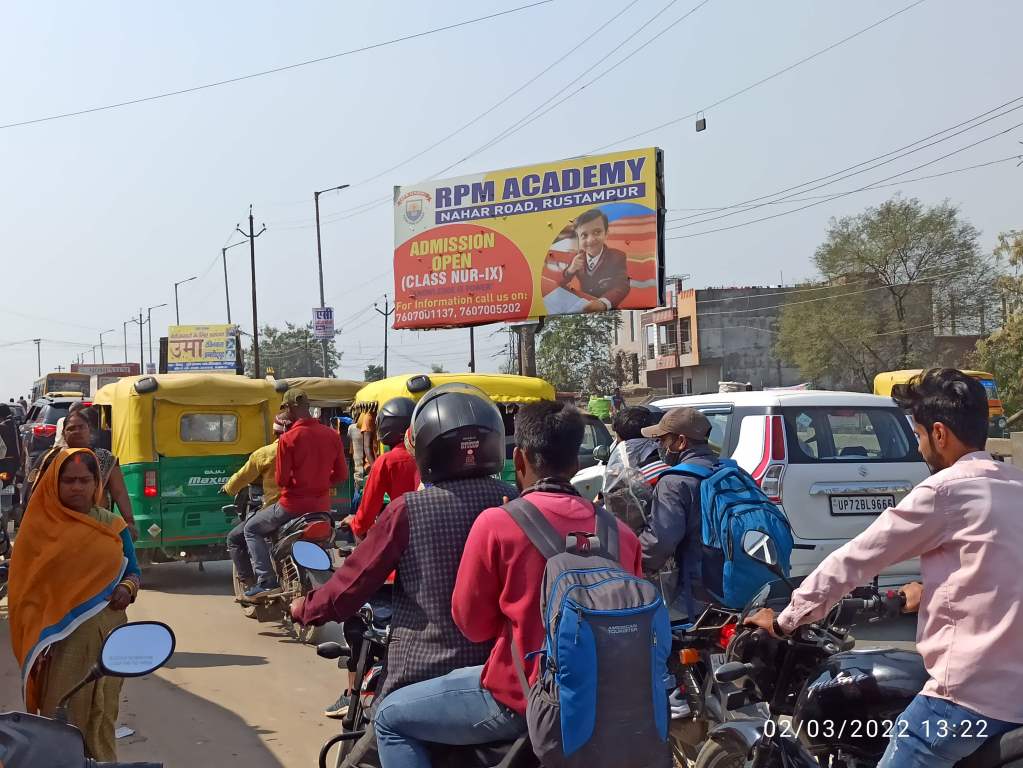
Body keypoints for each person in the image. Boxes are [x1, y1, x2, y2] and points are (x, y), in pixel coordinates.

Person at [746, 368, 1023, 768]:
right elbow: (996, 569)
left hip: (969, 699)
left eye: (919, 435)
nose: (920, 445)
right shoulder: (1015, 485)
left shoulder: (944, 492)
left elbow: (856, 559)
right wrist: (927, 592)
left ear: (940, 434)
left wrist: (787, 619)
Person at [372, 400, 644, 767]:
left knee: (390, 718)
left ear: (519, 459)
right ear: (575, 463)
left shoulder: (498, 524)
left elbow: (472, 625)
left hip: (521, 699)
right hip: (607, 700)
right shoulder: (620, 533)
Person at [291, 383, 514, 764]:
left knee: (386, 725)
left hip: (425, 668)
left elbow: (352, 583)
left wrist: (306, 607)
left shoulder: (411, 509)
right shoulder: (516, 500)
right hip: (505, 673)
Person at [8, 448, 141, 762]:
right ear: (56, 483)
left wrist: (126, 587)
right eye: (69, 481)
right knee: (63, 716)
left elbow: (133, 571)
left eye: (85, 480)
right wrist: (39, 640)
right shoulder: (38, 528)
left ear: (97, 483)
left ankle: (103, 763)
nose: (77, 487)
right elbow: (25, 591)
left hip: (109, 634)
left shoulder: (112, 525)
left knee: (103, 711)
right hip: (61, 642)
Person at [239, 388, 347, 599]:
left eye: (285, 410)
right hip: (322, 508)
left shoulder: (289, 439)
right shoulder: (331, 435)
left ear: (289, 409)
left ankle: (267, 581)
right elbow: (341, 474)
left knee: (251, 529)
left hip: (291, 506)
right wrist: (321, 483)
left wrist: (301, 485)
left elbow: (281, 480)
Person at [637, 406, 718, 618]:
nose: (660, 446)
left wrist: (631, 553)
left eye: (663, 440)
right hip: (742, 584)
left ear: (681, 442)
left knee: (654, 629)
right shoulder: (732, 470)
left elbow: (659, 543)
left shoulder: (674, 481)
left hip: (698, 593)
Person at [224, 413, 290, 576]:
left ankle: (262, 580)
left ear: (275, 432)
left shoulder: (265, 453)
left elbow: (242, 476)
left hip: (280, 507)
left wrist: (227, 488)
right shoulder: (307, 450)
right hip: (314, 507)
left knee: (240, 535)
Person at [344, 397, 419, 540]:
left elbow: (365, 517)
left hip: (403, 533)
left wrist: (354, 523)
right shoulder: (432, 453)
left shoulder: (387, 461)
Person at [62, 409, 137, 538]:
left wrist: (129, 521)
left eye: (81, 427)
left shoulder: (105, 457)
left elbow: (119, 492)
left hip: (99, 527)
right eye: (71, 428)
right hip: (62, 526)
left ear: (89, 430)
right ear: (64, 434)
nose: (77, 431)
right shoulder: (54, 459)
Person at [559, 208, 630, 312]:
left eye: (597, 232)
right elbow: (560, 282)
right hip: (583, 307)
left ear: (606, 233)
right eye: (584, 235)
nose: (591, 240)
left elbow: (622, 286)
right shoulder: (577, 257)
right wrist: (571, 269)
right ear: (578, 238)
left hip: (607, 311)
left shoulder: (617, 256)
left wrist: (603, 303)